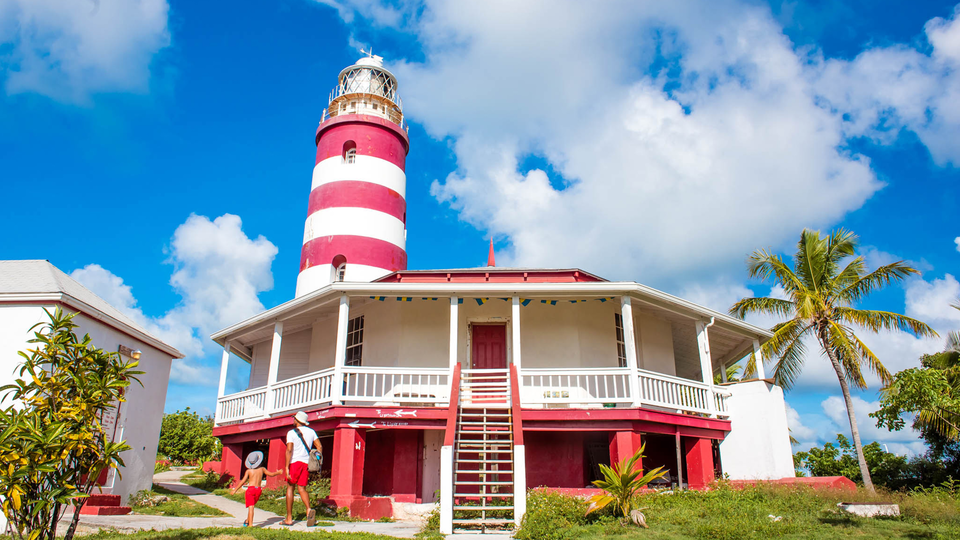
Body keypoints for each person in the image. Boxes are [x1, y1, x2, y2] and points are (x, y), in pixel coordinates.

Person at [284, 410, 321, 526]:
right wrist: (317, 459)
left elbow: (289, 450)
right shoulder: (312, 432)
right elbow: (319, 446)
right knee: (302, 489)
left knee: (290, 488)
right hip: (306, 463)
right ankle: (309, 510)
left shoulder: (291, 433)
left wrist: (286, 466)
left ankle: (289, 518)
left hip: (295, 462)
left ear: (297, 420)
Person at [229, 450, 283, 527]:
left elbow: (243, 481)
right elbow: (271, 474)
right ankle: (247, 521)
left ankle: (250, 525)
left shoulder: (249, 471)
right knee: (252, 505)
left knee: (251, 507)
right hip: (258, 490)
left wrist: (235, 490)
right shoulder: (262, 469)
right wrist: (278, 472)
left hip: (251, 489)